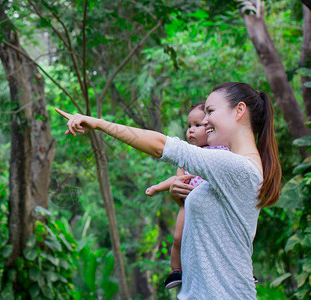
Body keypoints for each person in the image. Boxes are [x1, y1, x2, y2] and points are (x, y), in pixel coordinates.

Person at [56, 82, 282, 299]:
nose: (204, 120)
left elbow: (161, 145)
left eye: (210, 111)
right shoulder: (234, 166)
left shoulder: (237, 167)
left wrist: (98, 123)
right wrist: (180, 197)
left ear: (239, 110)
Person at [145, 102, 229, 289]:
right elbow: (178, 179)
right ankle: (176, 270)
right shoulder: (187, 155)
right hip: (188, 204)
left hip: (215, 206)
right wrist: (158, 187)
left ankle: (241, 269)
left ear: (211, 128)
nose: (191, 131)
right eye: (189, 126)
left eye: (197, 125)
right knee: (178, 238)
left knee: (224, 239)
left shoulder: (222, 151)